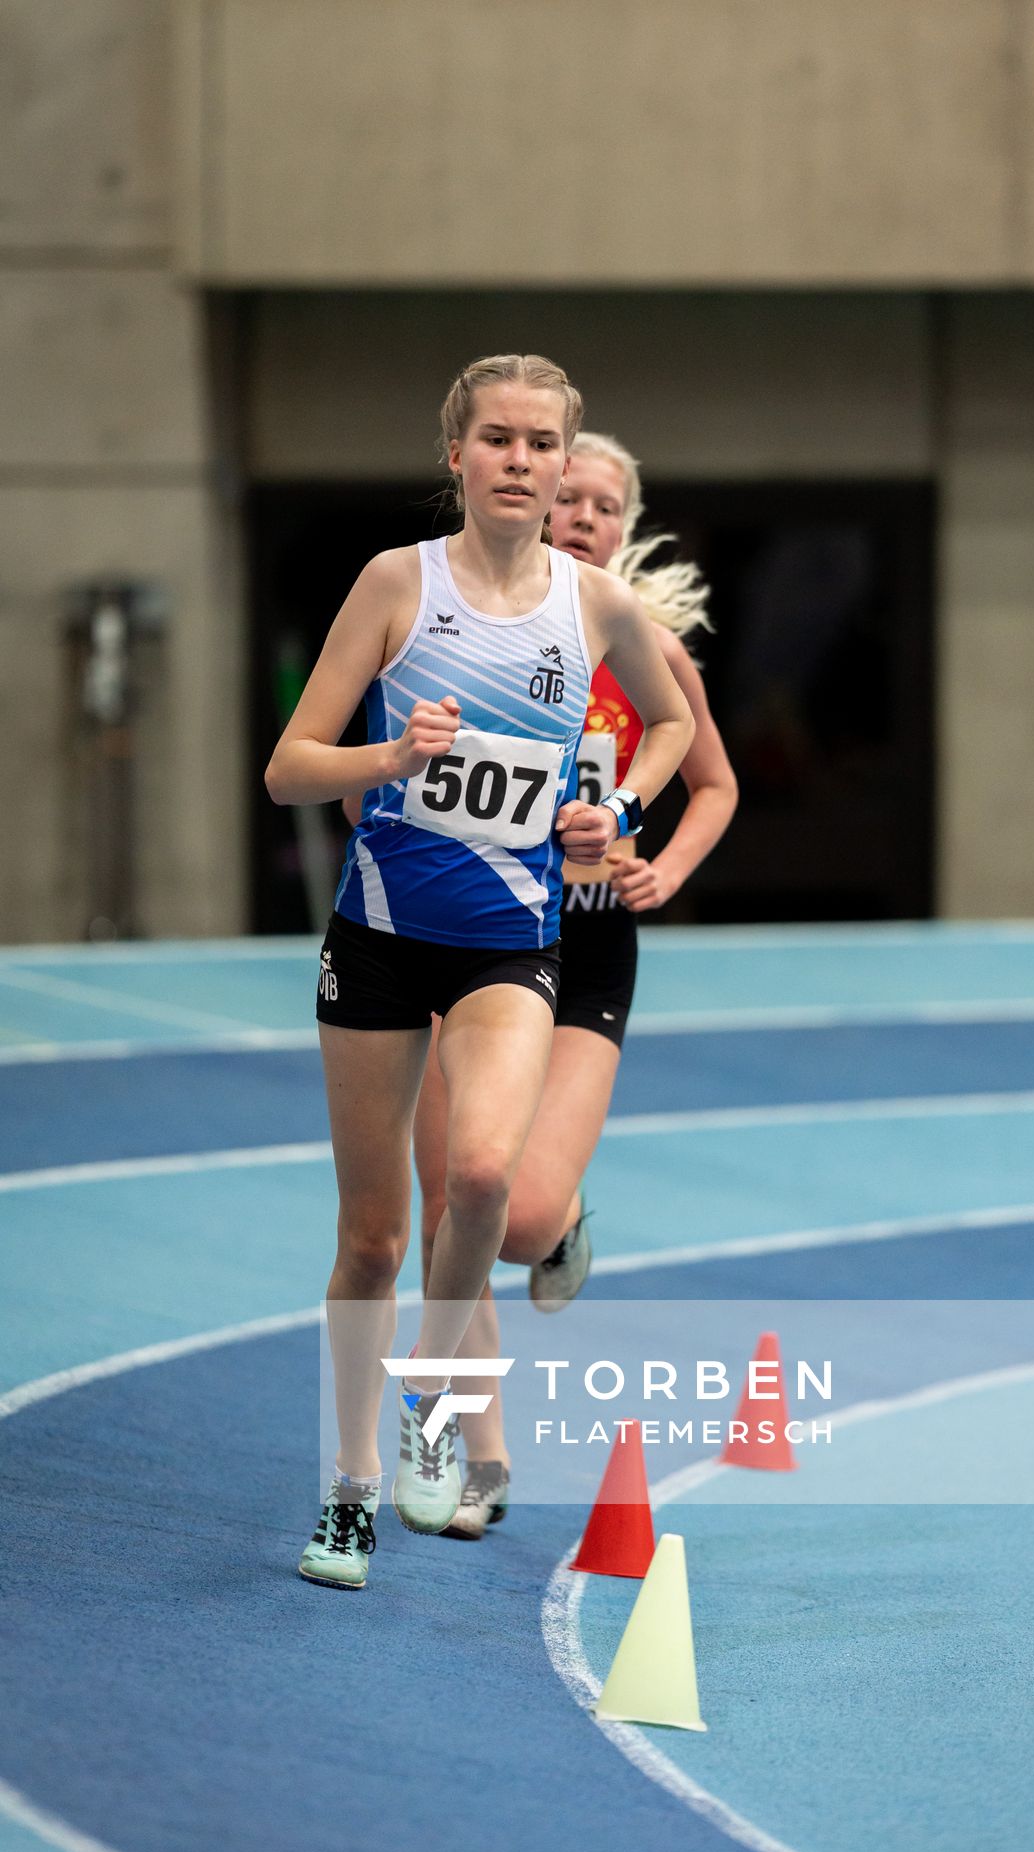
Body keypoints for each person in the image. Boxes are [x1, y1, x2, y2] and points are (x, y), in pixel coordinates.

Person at [265, 357, 694, 1588]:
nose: (518, 459)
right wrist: (389, 754)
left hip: (513, 944)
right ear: (454, 456)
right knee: (371, 1243)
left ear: (567, 462)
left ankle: (433, 1412)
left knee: (486, 1181)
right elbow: (290, 768)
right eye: (496, 439)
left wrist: (610, 803)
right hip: (382, 943)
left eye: (540, 441)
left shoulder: (596, 602)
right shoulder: (397, 583)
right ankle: (346, 1497)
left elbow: (667, 726)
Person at [409, 430, 738, 1539]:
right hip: (471, 939)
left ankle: (561, 1231)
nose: (585, 515)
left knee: (520, 1213)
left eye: (607, 504)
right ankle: (480, 1458)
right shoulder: (473, 628)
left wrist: (661, 865)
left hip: (589, 942)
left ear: (624, 524)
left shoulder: (636, 642)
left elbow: (713, 782)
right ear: (538, 499)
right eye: (572, 496)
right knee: (457, 1192)